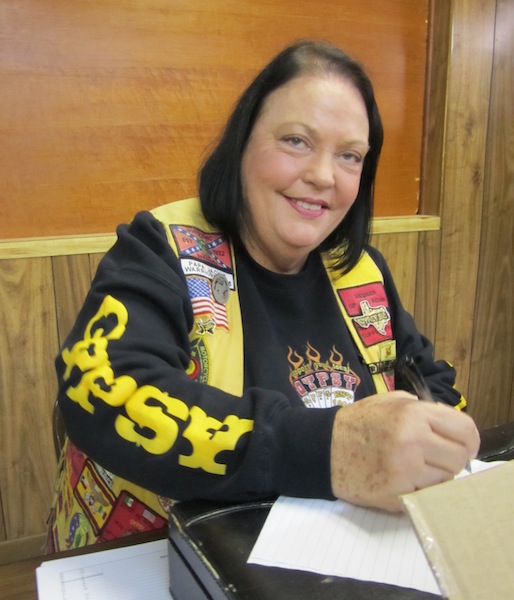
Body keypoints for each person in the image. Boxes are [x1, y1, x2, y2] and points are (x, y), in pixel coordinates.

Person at [47, 39, 480, 551]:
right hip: (155, 557)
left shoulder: (361, 272)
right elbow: (102, 389)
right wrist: (329, 449)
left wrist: (438, 434)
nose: (323, 176)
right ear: (243, 143)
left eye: (349, 156)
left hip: (334, 555)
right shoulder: (160, 247)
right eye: (296, 141)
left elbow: (426, 377)